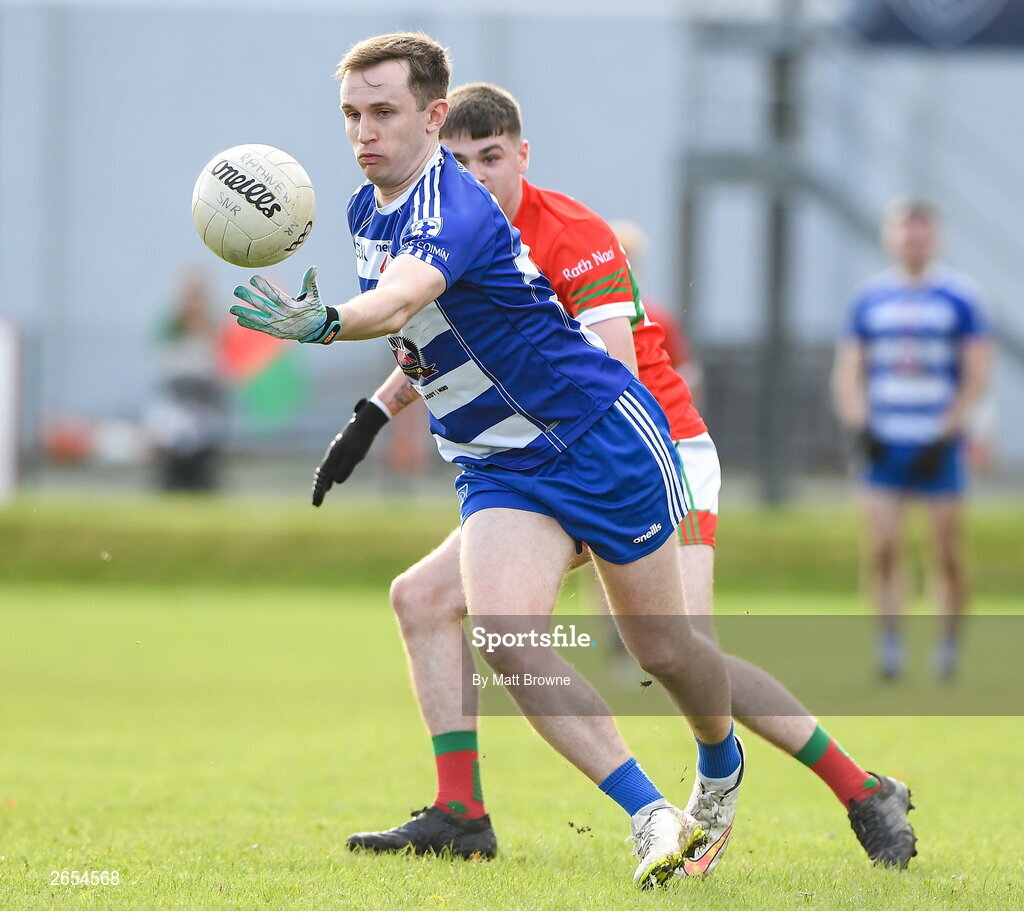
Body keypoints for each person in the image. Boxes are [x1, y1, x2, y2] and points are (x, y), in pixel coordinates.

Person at [312, 82, 918, 871]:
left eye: (490, 158)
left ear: (521, 155)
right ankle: (461, 811)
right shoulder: (436, 224)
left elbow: (612, 371)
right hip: (537, 455)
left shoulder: (569, 233)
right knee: (424, 598)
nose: (473, 174)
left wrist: (563, 525)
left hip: (646, 442)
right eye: (457, 160)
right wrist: (373, 414)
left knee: (673, 647)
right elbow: (445, 340)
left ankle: (856, 786)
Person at [229, 32, 743, 890]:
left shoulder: (455, 205)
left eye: (384, 112)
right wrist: (372, 412)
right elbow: (427, 335)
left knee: (664, 649)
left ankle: (720, 762)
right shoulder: (364, 210)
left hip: (598, 438)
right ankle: (651, 813)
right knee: (506, 635)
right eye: (352, 114)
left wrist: (324, 323)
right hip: (499, 468)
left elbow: (401, 298)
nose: (365, 132)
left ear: (434, 116)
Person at [832, 196, 993, 680]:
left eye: (921, 230)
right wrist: (861, 427)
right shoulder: (870, 299)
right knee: (883, 546)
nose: (912, 239)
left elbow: (977, 372)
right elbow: (848, 371)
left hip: (936, 442)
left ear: (934, 236)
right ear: (890, 236)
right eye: (904, 230)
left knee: (944, 548)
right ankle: (890, 648)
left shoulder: (960, 298)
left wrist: (948, 431)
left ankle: (946, 649)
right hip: (885, 440)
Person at [146, 267, 227, 491]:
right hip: (178, 406)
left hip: (204, 408)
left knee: (202, 467)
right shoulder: (171, 329)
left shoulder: (214, 330)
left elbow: (221, 369)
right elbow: (164, 367)